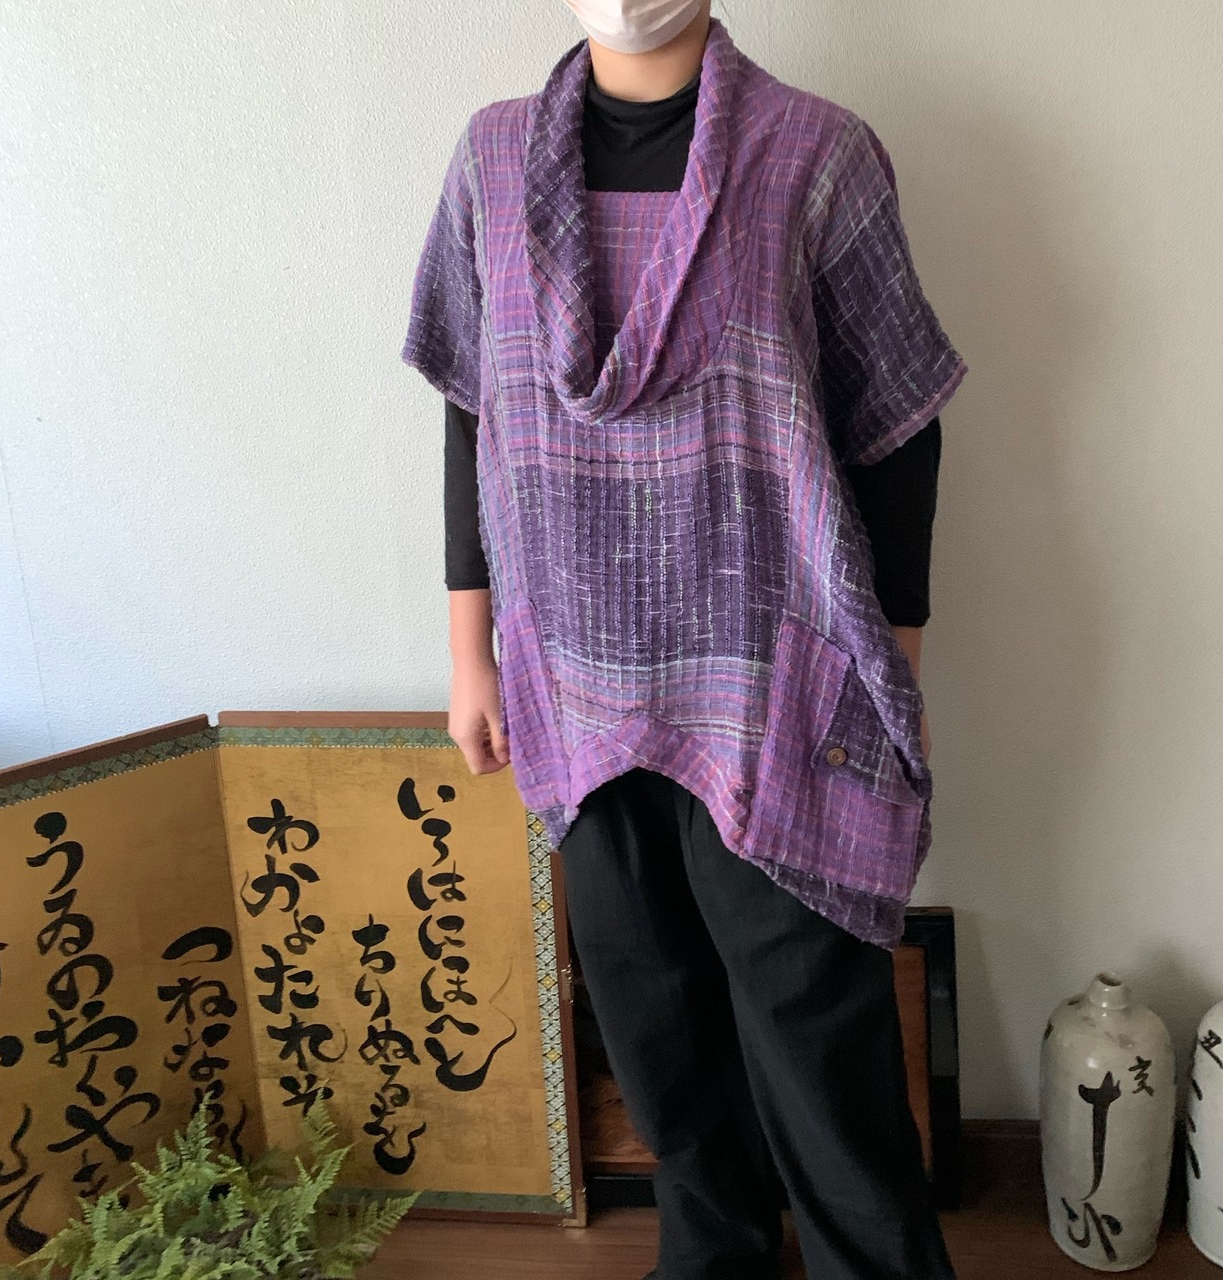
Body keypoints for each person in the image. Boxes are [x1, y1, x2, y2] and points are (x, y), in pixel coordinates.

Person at [402, 3, 967, 1277]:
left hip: (766, 673)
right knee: (647, 1007)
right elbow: (469, 413)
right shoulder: (491, 159)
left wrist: (894, 667)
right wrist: (468, 652)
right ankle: (711, 1256)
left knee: (810, 1019)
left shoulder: (815, 154)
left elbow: (896, 426)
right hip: (571, 671)